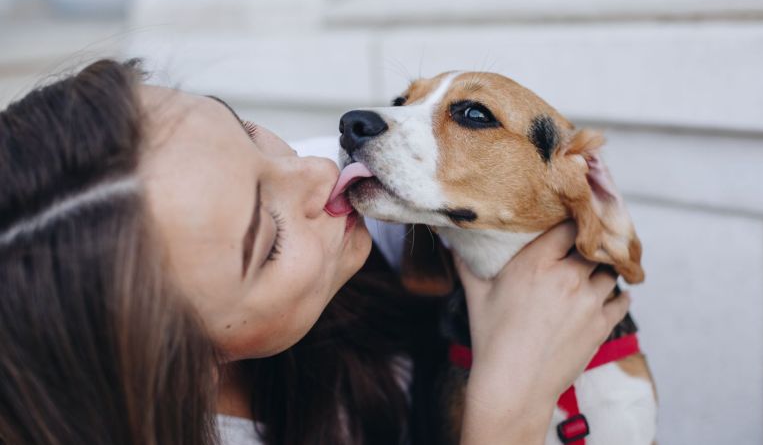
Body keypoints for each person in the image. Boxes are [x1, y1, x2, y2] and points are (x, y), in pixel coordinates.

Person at [0, 59, 629, 445]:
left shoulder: (342, 187)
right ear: (180, 364)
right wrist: (505, 413)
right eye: (268, 239)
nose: (315, 170)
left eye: (245, 129)